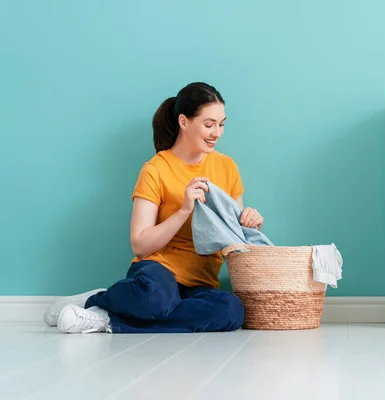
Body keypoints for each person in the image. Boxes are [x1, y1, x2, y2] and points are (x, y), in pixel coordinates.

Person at [43, 82, 264, 334]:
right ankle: (98, 300)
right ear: (184, 122)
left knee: (231, 311)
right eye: (209, 124)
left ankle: (105, 314)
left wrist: (250, 222)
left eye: (221, 124)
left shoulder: (227, 167)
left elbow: (233, 236)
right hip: (158, 274)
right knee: (156, 298)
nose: (217, 133)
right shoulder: (156, 169)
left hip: (200, 283)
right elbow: (140, 244)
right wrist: (183, 210)